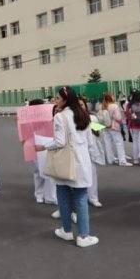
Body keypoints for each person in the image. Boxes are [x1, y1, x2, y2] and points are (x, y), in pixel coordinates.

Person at [34, 87, 99, 248]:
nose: (56, 101)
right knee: (81, 197)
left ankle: (67, 230)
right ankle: (84, 235)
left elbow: (60, 142)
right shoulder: (84, 115)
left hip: (65, 161)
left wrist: (43, 146)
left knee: (63, 195)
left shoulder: (59, 117)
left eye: (58, 98)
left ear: (65, 100)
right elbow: (90, 143)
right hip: (82, 161)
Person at [79, 97, 103, 208]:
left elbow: (97, 132)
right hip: (78, 151)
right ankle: (81, 198)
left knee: (92, 173)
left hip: (91, 150)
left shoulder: (92, 118)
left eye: (82, 105)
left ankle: (93, 197)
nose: (80, 107)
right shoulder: (71, 119)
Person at [97, 92, 128, 166]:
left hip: (105, 127)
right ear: (111, 97)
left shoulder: (101, 106)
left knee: (108, 143)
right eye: (113, 96)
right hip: (114, 126)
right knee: (119, 143)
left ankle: (110, 159)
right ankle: (122, 161)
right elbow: (118, 117)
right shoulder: (114, 106)